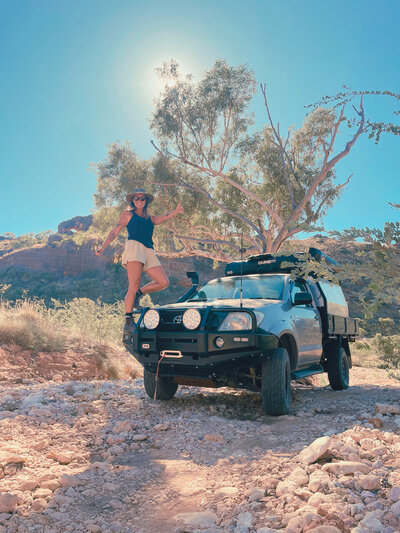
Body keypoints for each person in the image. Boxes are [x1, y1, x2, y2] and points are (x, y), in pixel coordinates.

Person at [95, 188, 184, 320]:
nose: (139, 200)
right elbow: (115, 231)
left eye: (142, 198)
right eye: (136, 198)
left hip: (149, 251)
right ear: (132, 201)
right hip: (134, 247)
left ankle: (139, 293)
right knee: (133, 284)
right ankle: (128, 320)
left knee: (163, 282)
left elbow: (164, 217)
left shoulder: (151, 218)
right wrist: (103, 247)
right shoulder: (127, 214)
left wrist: (176, 212)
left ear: (146, 201)